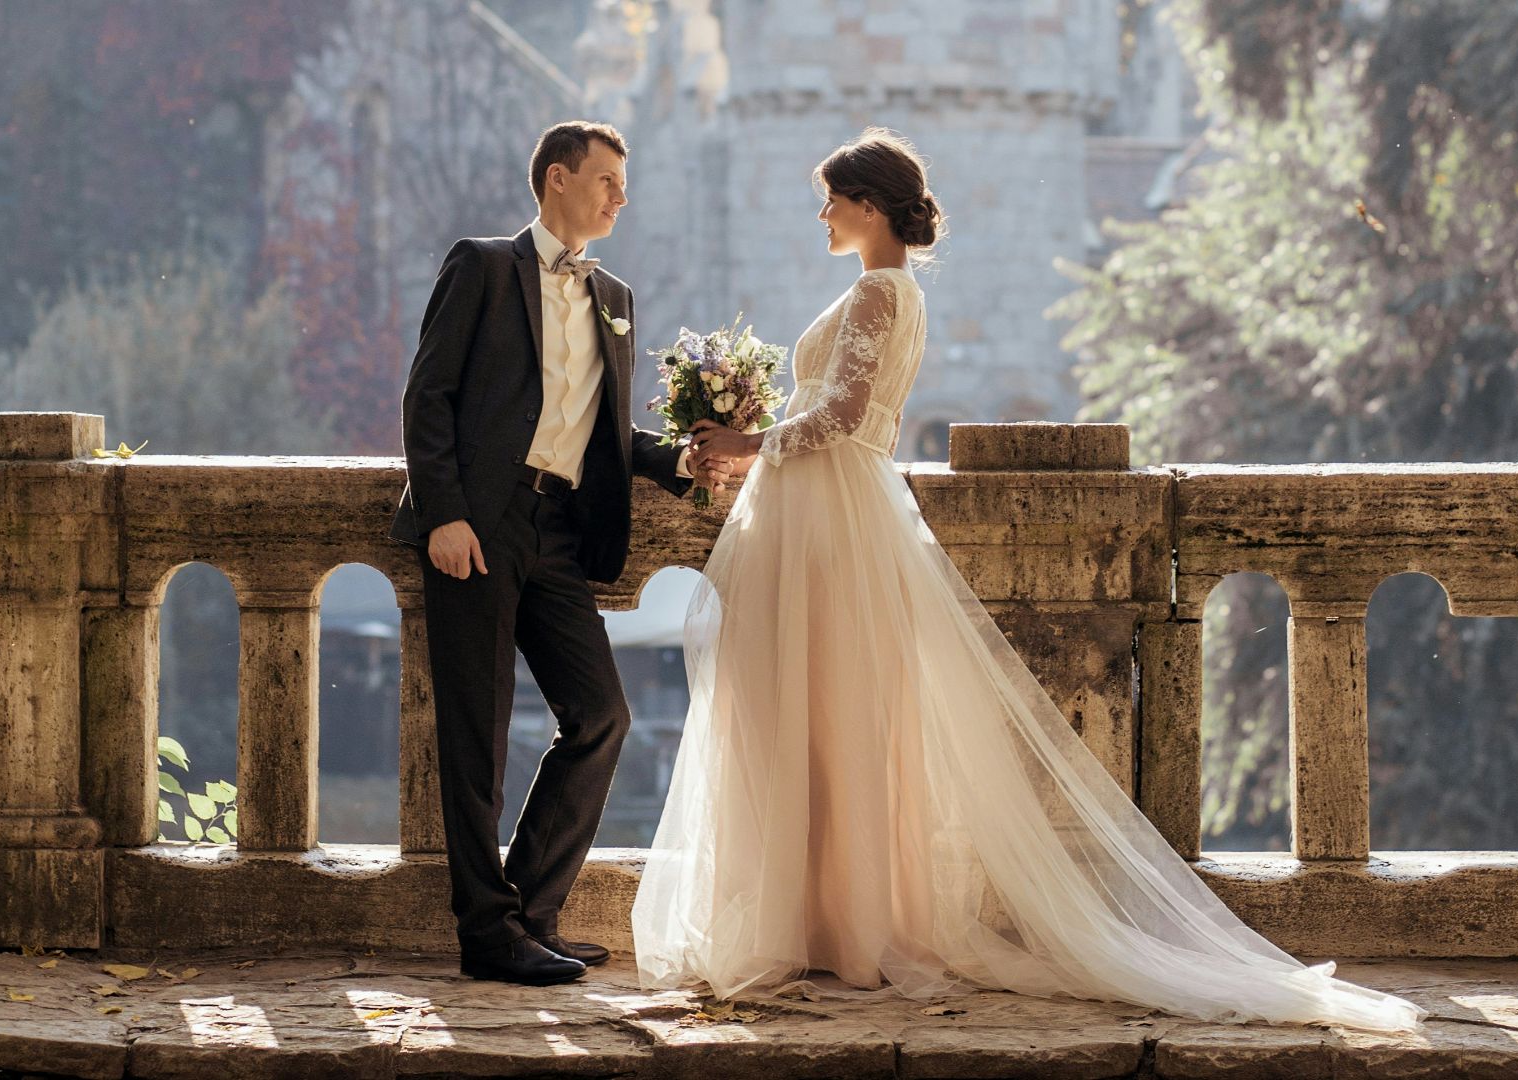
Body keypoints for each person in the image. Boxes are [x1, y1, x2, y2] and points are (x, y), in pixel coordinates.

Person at [633, 127, 1426, 1032]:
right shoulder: (892, 293)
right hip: (827, 515)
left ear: (870, 206)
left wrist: (745, 443)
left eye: (831, 200)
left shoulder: (877, 295)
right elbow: (833, 422)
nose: (821, 215)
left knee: (821, 713)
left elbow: (846, 419)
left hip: (831, 523)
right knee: (822, 714)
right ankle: (830, 921)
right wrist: (740, 459)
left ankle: (836, 926)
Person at [391, 121, 732, 986]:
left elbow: (607, 429)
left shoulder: (612, 292)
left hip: (561, 534)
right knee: (476, 737)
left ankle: (531, 913)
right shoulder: (480, 264)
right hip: (479, 524)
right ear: (556, 180)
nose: (622, 195)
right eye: (609, 179)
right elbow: (428, 395)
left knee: (601, 715)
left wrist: (681, 461)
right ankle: (486, 935)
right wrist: (445, 514)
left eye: (624, 181)